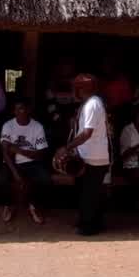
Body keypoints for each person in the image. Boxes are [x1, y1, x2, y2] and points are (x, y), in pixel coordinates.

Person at [60, 73, 110, 236]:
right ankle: (94, 223)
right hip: (90, 155)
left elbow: (87, 133)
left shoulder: (92, 105)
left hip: (94, 157)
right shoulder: (91, 103)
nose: (74, 91)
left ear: (82, 89)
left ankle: (88, 227)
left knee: (88, 194)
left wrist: (67, 148)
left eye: (76, 87)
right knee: (89, 192)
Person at [0, 99, 49, 224]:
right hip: (11, 163)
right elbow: (5, 152)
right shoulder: (8, 125)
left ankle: (33, 206)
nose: (21, 111)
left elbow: (40, 154)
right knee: (2, 180)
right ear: (14, 111)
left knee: (45, 179)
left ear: (28, 110)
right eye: (18, 109)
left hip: (31, 163)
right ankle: (8, 205)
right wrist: (15, 174)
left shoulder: (37, 126)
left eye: (23, 108)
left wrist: (18, 150)